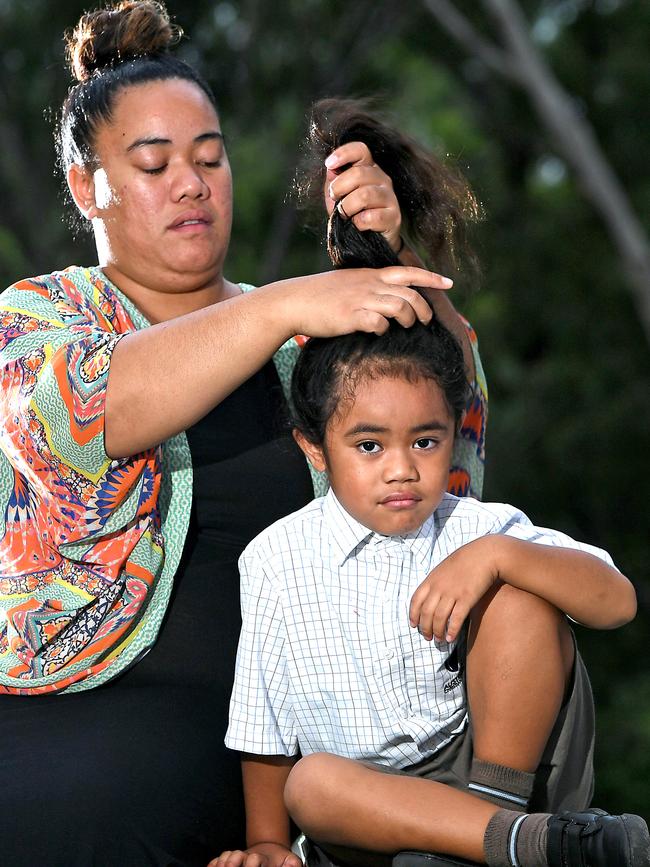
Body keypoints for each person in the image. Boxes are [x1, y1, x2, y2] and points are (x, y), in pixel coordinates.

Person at [0, 3, 486, 866]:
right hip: (64, 735)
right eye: (153, 163)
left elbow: (453, 443)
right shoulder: (40, 317)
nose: (191, 183)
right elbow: (79, 414)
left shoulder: (306, 343)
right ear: (86, 187)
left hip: (281, 773)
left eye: (210, 158)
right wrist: (289, 301)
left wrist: (397, 263)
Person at [217, 155, 648, 867]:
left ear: (455, 431)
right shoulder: (274, 559)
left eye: (425, 440)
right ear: (314, 448)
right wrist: (266, 844)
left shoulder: (474, 527)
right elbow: (263, 728)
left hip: (493, 774)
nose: (401, 468)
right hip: (367, 812)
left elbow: (618, 602)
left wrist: (500, 557)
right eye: (368, 444)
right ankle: (495, 844)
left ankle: (496, 832)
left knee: (523, 597)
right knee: (312, 780)